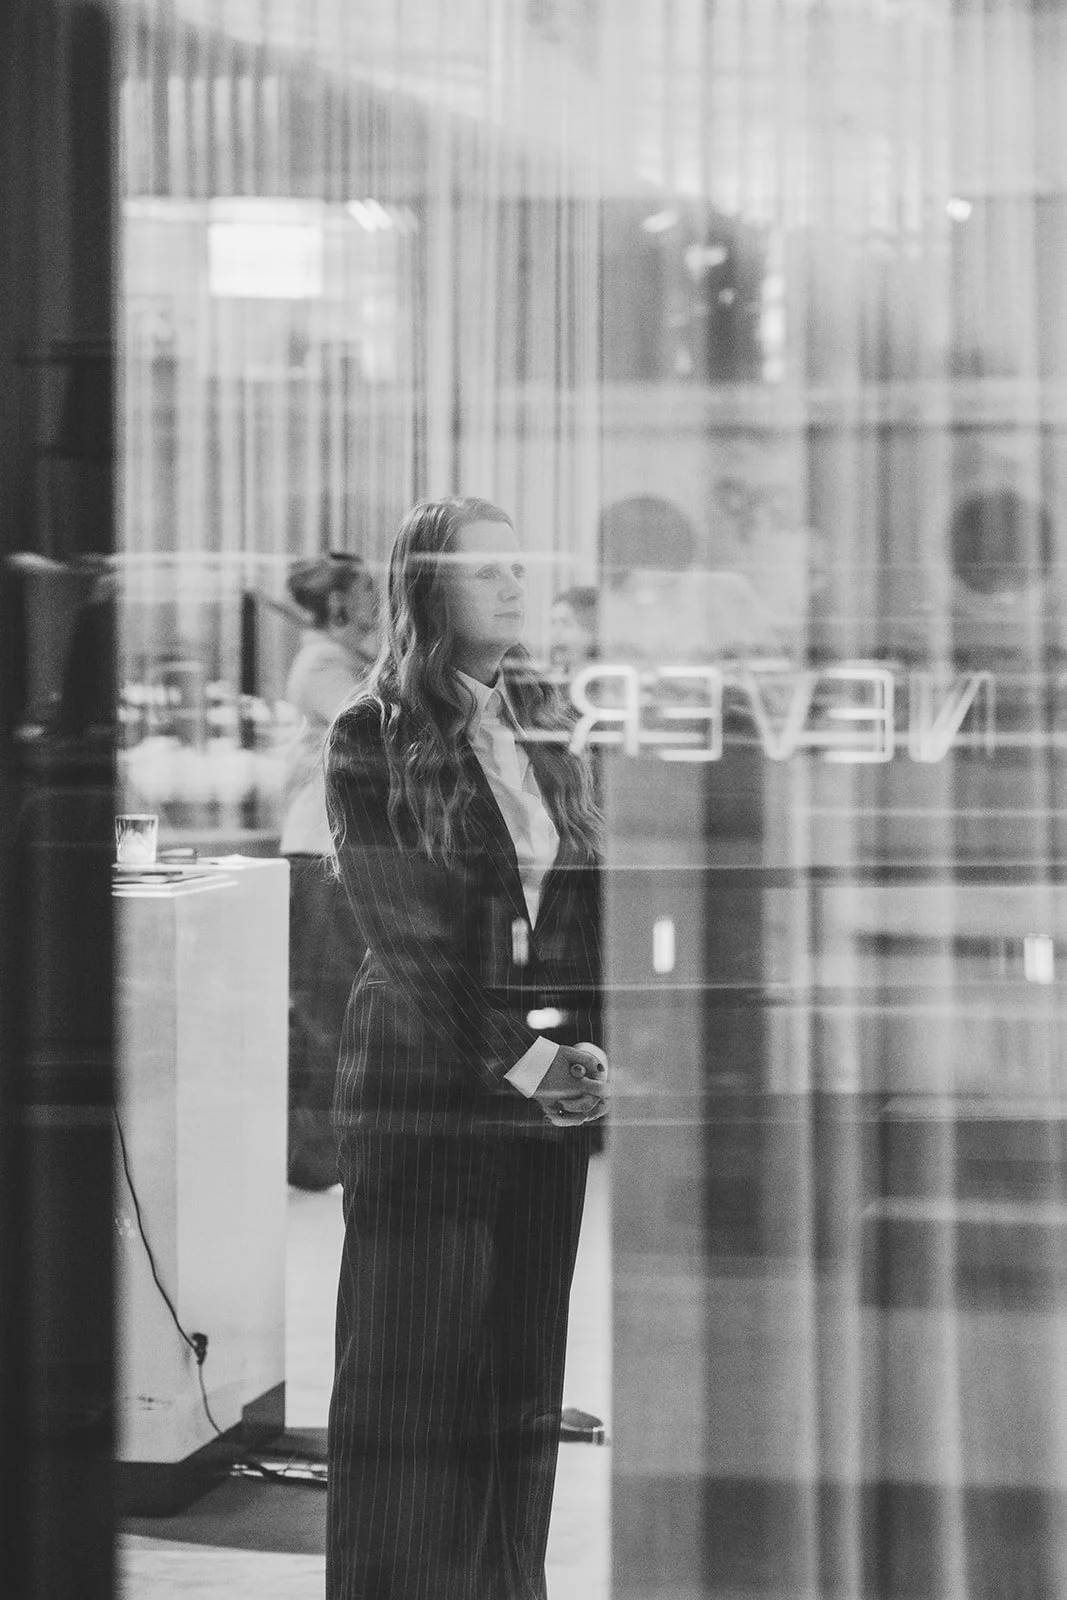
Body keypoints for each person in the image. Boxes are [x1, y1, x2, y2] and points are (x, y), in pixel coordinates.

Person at [323, 496, 610, 1600]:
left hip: (542, 1108)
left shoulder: (545, 710)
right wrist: (537, 1068)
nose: (509, 583)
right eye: (479, 569)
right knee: (409, 1402)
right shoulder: (371, 729)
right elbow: (410, 948)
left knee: (517, 1391)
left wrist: (591, 1053)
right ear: (426, 588)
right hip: (423, 1102)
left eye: (515, 564)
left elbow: (583, 906)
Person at [281, 552, 379, 1190]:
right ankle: (316, 1157)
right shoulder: (325, 665)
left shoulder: (349, 661)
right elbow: (372, 729)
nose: (379, 601)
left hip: (341, 852)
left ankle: (331, 1150)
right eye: (368, 589)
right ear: (340, 601)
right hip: (321, 852)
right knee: (329, 1008)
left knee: (343, 1003)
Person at [549, 584, 599, 676]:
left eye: (566, 623)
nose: (555, 633)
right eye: (553, 623)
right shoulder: (549, 681)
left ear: (590, 632)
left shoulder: (604, 681)